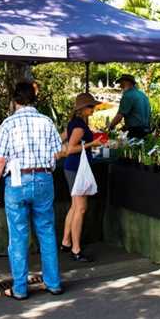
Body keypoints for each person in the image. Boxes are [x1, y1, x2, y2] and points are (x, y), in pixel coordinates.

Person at [0, 82, 64, 300]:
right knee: (47, 232)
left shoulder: (8, 124)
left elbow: (0, 159)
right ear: (33, 99)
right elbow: (58, 152)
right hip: (43, 178)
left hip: (17, 182)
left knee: (18, 235)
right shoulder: (47, 121)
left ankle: (20, 289)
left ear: (15, 100)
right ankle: (53, 283)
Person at [61, 93, 104, 262]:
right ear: (83, 109)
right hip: (76, 168)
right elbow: (71, 148)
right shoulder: (79, 126)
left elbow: (62, 138)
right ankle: (76, 249)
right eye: (91, 106)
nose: (93, 109)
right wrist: (92, 144)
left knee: (75, 206)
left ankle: (66, 241)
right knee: (81, 208)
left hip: (74, 168)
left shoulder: (75, 123)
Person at [109, 74, 151, 139]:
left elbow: (120, 115)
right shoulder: (142, 95)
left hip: (135, 132)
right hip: (146, 130)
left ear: (127, 82)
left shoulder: (128, 95)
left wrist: (110, 126)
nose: (120, 86)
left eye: (121, 83)